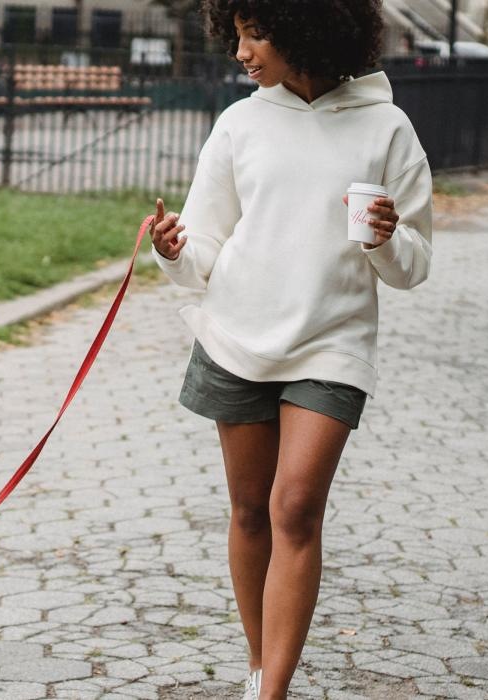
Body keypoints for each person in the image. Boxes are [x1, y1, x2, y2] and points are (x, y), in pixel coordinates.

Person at [143, 1, 432, 698]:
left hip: (332, 345)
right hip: (237, 338)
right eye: (236, 34)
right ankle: (258, 668)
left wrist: (387, 236)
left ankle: (271, 693)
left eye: (255, 34)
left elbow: (414, 265)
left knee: (295, 508)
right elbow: (206, 246)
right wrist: (174, 251)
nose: (240, 52)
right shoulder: (241, 123)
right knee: (248, 511)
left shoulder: (386, 128)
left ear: (305, 29)